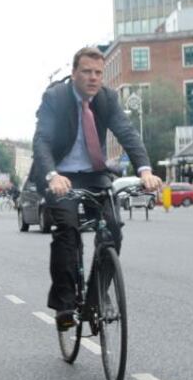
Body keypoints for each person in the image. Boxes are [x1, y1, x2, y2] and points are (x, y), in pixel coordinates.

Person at [29, 47, 162, 332]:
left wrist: (145, 170)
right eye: (87, 71)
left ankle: (98, 296)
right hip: (60, 174)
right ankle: (65, 304)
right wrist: (52, 175)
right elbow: (41, 141)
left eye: (98, 73)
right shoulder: (56, 98)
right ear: (75, 73)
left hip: (94, 175)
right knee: (67, 231)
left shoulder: (107, 99)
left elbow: (127, 133)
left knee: (112, 228)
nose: (93, 78)